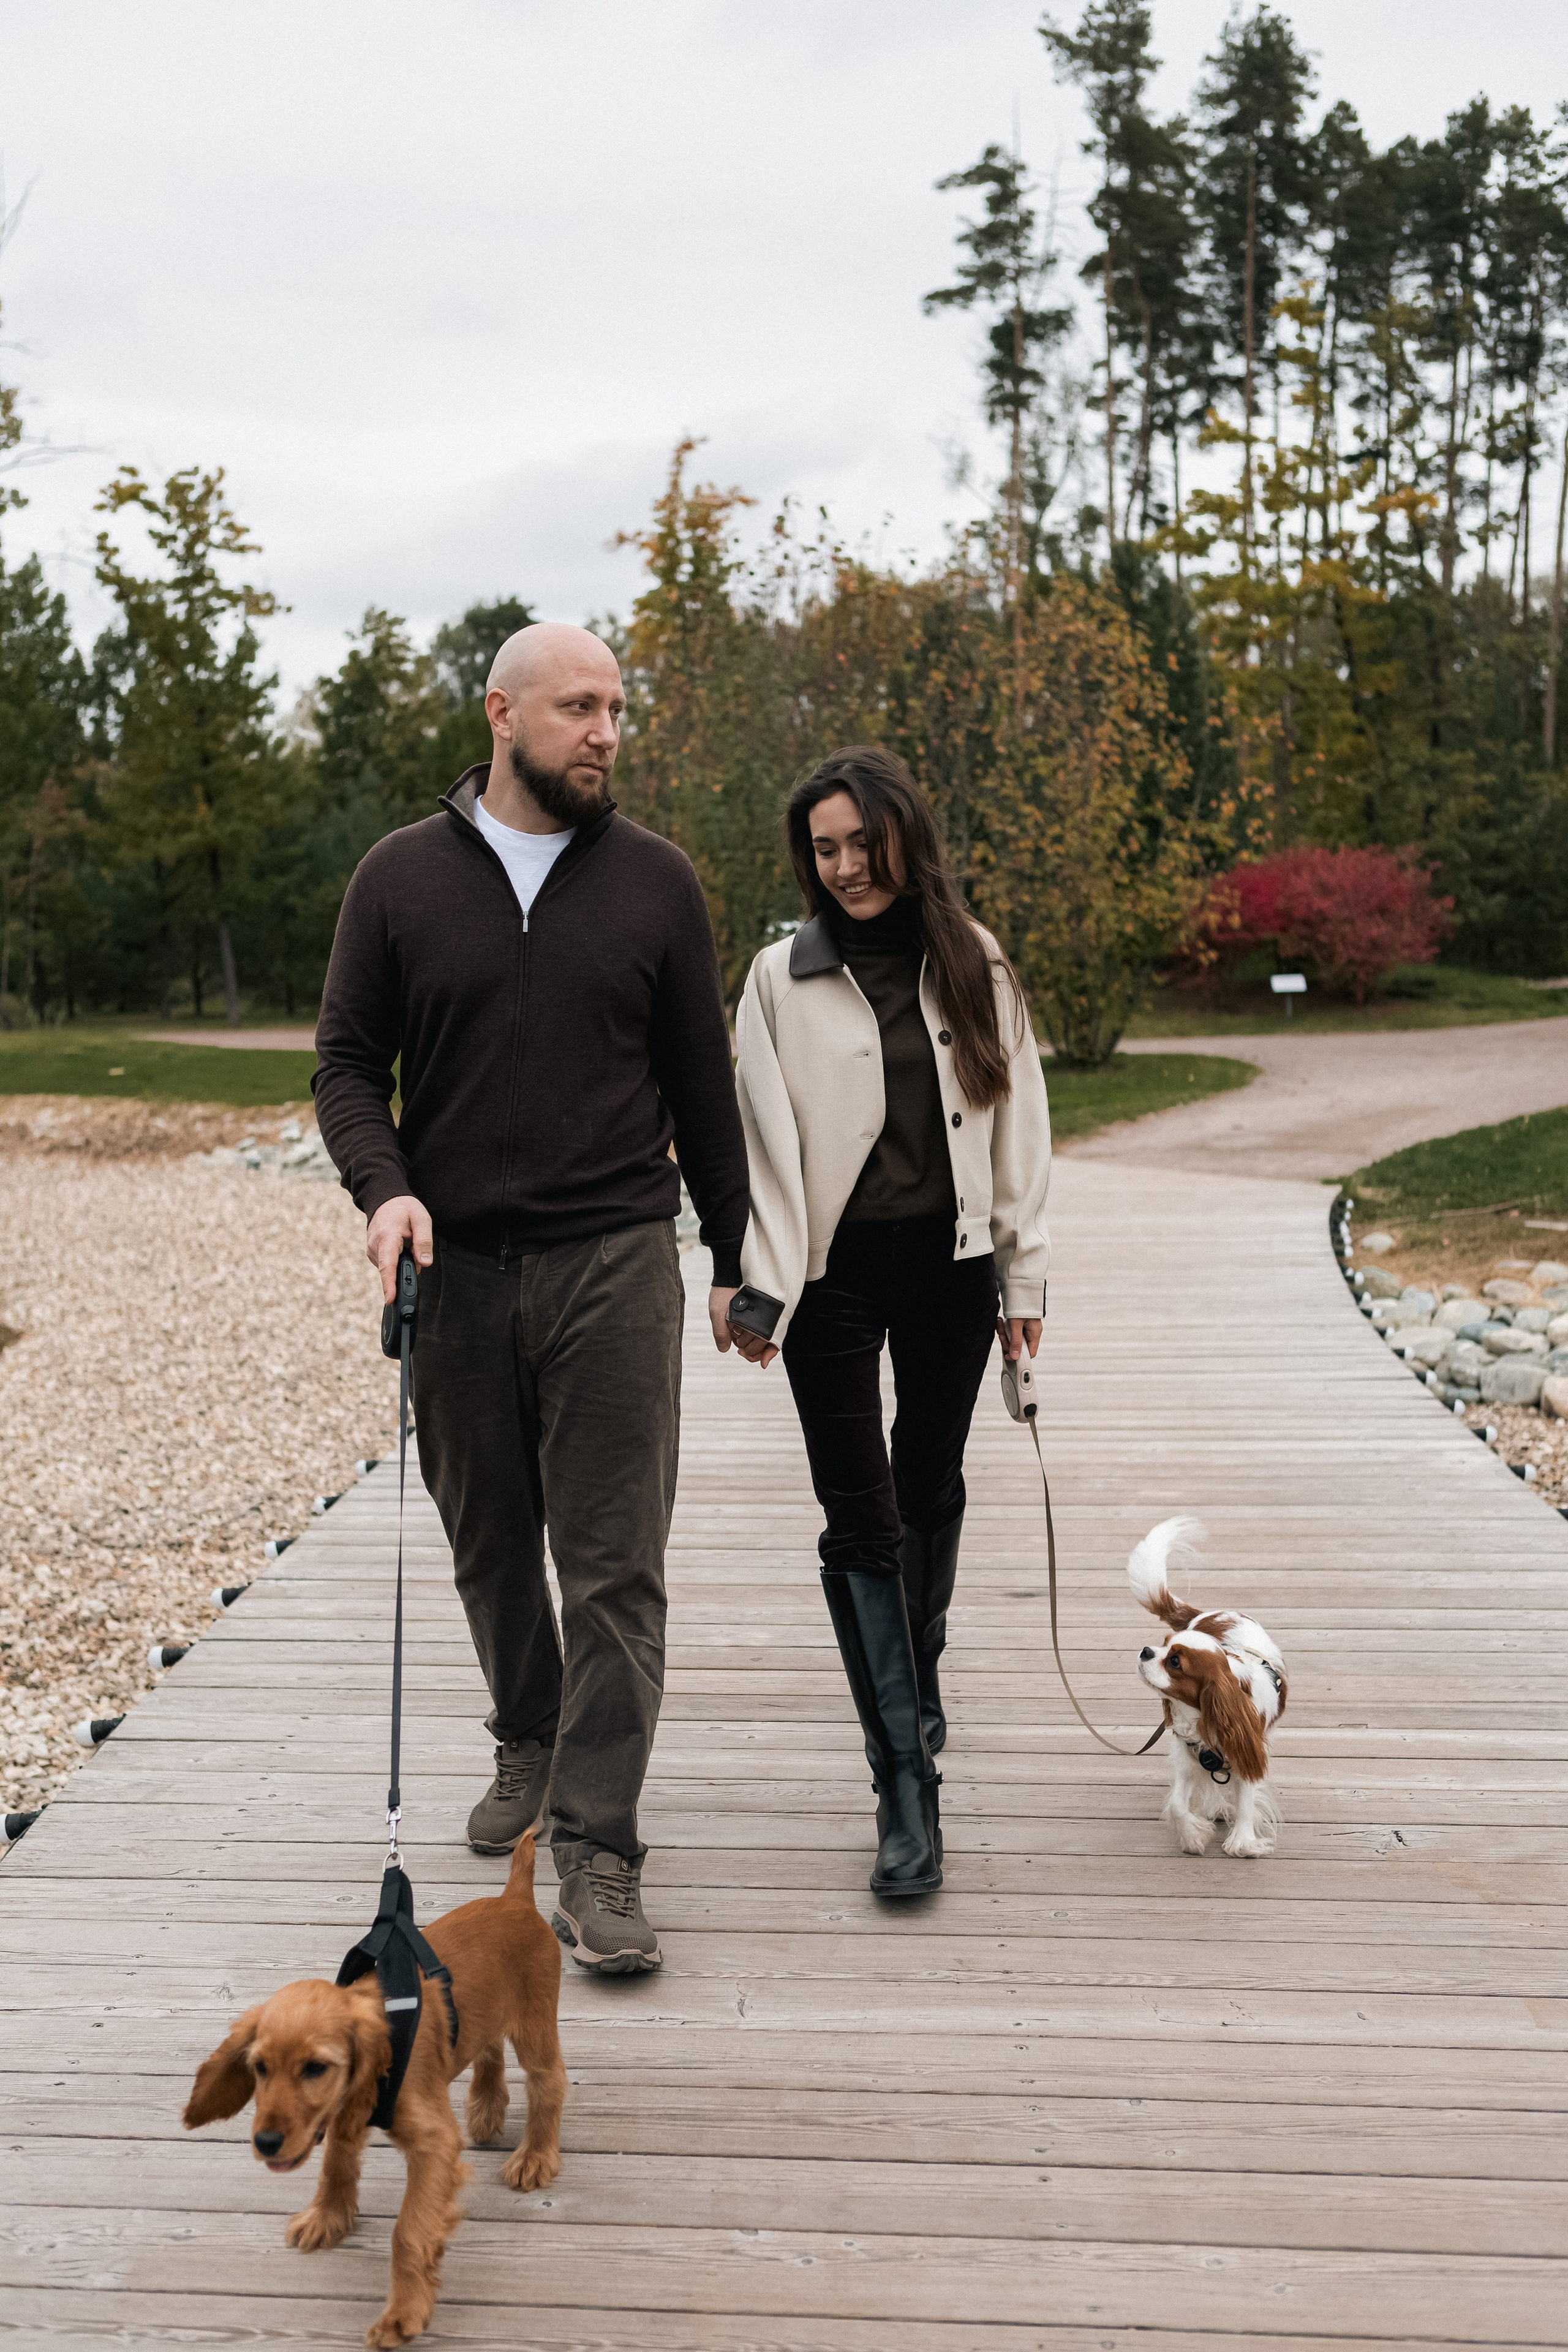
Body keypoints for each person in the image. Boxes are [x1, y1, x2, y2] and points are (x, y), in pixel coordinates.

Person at [314, 622, 751, 1975]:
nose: (605, 732)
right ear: (501, 715)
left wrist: (738, 1260)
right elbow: (344, 1064)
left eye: (616, 707)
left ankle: (598, 1847)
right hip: (451, 1268)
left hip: (615, 1260)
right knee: (492, 1543)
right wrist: (382, 1189)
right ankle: (527, 1733)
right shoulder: (398, 880)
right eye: (577, 708)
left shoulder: (655, 885)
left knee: (614, 1567)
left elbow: (700, 1082)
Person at [725, 747, 1050, 1896]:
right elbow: (756, 1144)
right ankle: (904, 1786)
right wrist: (752, 1282)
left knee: (931, 1485)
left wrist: (1024, 1285)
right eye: (827, 848)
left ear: (907, 839)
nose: (849, 867)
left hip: (953, 1268)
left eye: (867, 843)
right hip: (834, 1276)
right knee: (859, 1517)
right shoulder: (778, 979)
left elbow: (1021, 1133)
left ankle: (921, 1667)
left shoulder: (974, 961)